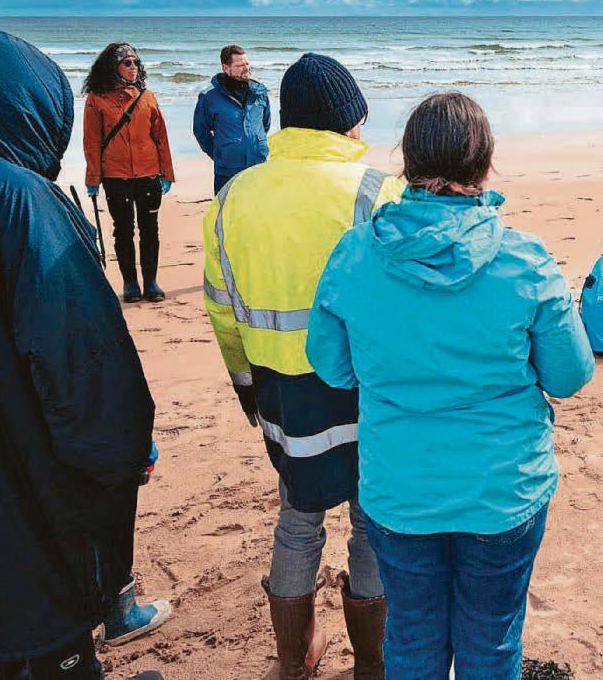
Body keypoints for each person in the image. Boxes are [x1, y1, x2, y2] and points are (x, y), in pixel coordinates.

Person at [0, 29, 171, 679]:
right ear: (29, 107)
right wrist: (126, 448)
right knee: (52, 614)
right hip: (29, 456)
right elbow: (80, 356)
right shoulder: (18, 197)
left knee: (0, 604)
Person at [307, 92, 596, 680]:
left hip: (399, 488)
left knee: (412, 639)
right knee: (491, 642)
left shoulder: (355, 254)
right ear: (485, 166)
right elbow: (569, 376)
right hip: (503, 491)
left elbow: (332, 367)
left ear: (407, 163)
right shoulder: (524, 260)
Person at [203, 53, 402, 680]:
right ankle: (371, 661)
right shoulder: (377, 191)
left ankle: (294, 660)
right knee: (371, 522)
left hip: (280, 393)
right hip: (365, 391)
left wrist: (246, 385)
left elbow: (221, 308)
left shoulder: (233, 197)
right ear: (347, 120)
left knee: (297, 518)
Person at [83, 42, 175, 302]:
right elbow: (91, 141)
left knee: (150, 229)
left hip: (149, 173)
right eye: (127, 63)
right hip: (116, 176)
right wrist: (93, 178)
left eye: (135, 62)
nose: (133, 67)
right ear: (114, 67)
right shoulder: (97, 99)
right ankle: (130, 283)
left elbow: (160, 137)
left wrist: (166, 173)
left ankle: (151, 282)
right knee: (123, 230)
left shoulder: (147, 96)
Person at [193, 44, 272, 194]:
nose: (246, 68)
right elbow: (201, 132)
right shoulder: (209, 97)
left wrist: (256, 143)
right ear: (226, 68)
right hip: (227, 172)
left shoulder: (260, 93)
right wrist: (220, 153)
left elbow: (265, 124)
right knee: (227, 209)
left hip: (258, 167)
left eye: (247, 63)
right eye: (240, 65)